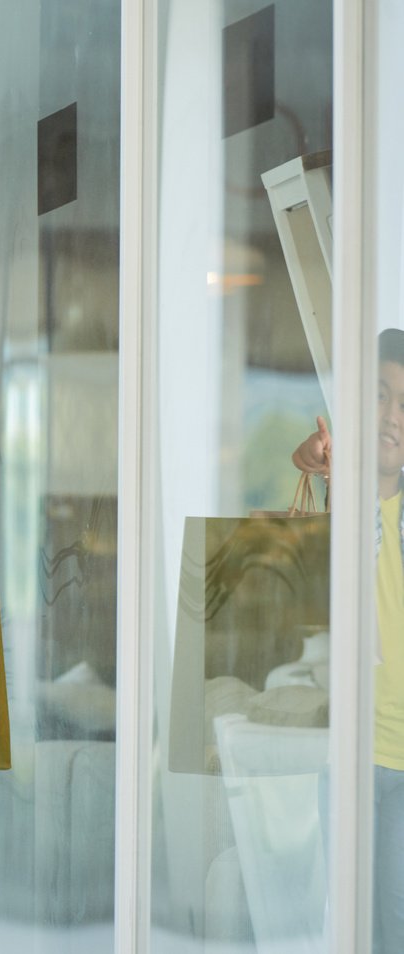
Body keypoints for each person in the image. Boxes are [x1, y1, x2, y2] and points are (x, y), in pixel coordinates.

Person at [293, 328, 404, 953]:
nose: (392, 416)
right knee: (355, 929)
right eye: (381, 396)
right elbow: (307, 459)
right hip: (352, 753)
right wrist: (317, 456)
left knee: (398, 926)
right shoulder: (344, 494)